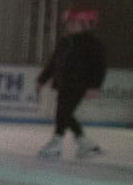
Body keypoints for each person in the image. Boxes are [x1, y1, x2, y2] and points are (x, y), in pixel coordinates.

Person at [36, 9, 107, 158]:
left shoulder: (93, 43)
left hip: (79, 83)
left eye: (75, 23)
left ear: (86, 25)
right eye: (70, 23)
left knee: (63, 112)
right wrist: (43, 78)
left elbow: (100, 66)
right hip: (63, 82)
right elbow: (54, 61)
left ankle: (57, 142)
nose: (71, 26)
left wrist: (94, 86)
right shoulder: (65, 41)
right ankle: (85, 143)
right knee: (65, 113)